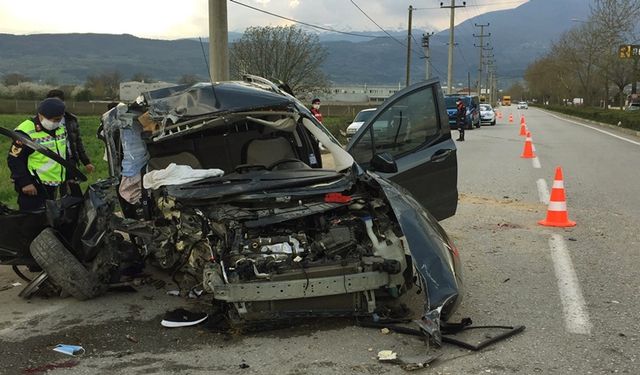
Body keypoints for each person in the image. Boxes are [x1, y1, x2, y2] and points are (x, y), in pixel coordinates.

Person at [7, 98, 68, 211]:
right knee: (32, 223)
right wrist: (25, 183)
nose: (54, 123)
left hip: (52, 184)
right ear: (40, 115)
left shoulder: (61, 128)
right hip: (33, 186)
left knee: (49, 219)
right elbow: (14, 159)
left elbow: (63, 153)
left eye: (58, 120)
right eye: (52, 120)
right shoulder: (25, 131)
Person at [46, 89, 94, 174]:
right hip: (50, 162)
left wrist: (86, 162)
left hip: (70, 161)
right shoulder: (41, 121)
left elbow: (77, 142)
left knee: (71, 185)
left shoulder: (71, 119)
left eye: (59, 102)